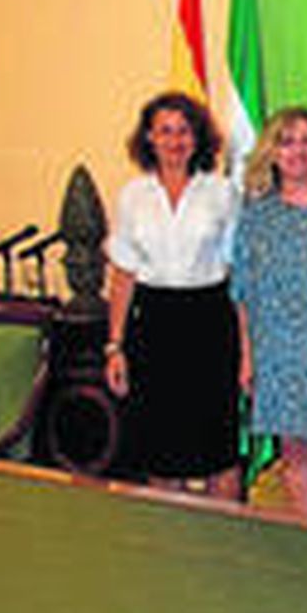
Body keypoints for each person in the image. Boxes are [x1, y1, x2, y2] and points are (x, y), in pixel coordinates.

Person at [105, 91, 241, 497]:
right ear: (148, 138)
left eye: (184, 131)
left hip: (209, 322)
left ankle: (222, 548)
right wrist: (115, 345)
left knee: (218, 449)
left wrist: (247, 349)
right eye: (164, 131)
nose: (175, 140)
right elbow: (124, 274)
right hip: (153, 326)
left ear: (198, 138)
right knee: (162, 448)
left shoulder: (222, 193)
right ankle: (173, 547)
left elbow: (237, 272)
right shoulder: (132, 196)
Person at [232, 107, 307, 522]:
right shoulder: (257, 214)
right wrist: (248, 356)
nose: (298, 151)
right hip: (276, 347)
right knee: (294, 452)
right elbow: (243, 290)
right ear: (272, 152)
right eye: (286, 141)